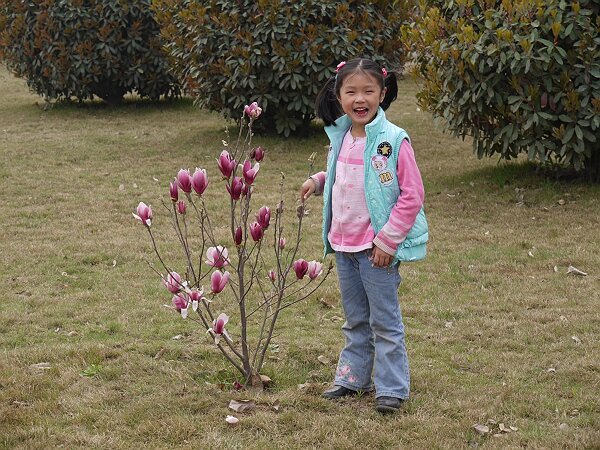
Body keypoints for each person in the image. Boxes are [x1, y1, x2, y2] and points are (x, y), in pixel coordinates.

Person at [300, 57, 428, 414]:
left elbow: (412, 195)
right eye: (351, 91)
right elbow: (345, 174)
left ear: (382, 94)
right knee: (355, 317)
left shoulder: (393, 141)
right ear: (338, 95)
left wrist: (388, 240)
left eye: (368, 91)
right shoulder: (340, 135)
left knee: (384, 320)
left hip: (376, 250)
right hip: (344, 245)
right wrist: (318, 181)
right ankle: (354, 378)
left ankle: (391, 388)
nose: (360, 98)